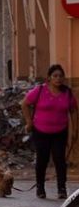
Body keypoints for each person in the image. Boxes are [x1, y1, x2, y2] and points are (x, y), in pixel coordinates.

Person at [21, 64, 78, 199]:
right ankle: (40, 188)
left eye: (60, 76)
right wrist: (29, 122)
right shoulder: (40, 90)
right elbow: (24, 104)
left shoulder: (67, 93)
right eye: (55, 76)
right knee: (42, 159)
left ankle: (61, 188)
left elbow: (74, 110)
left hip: (60, 131)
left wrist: (74, 129)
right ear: (49, 78)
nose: (58, 79)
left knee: (60, 160)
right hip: (40, 131)